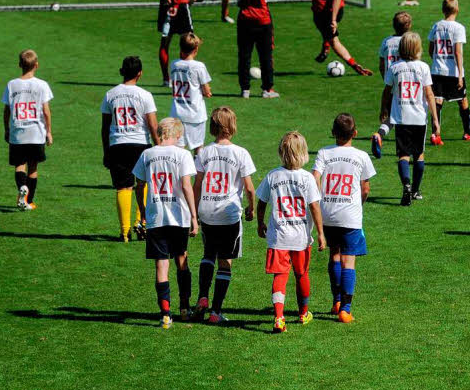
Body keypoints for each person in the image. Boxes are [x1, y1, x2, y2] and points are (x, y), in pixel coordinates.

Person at [192, 107, 257, 324]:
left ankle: (202, 297)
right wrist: (252, 208)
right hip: (228, 214)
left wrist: (194, 211)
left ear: (212, 126)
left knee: (208, 254)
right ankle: (215, 312)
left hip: (206, 211)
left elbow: (198, 183)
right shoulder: (241, 153)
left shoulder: (204, 152)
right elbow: (248, 187)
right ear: (232, 125)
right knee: (225, 261)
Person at [256, 131, 326, 334]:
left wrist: (260, 222)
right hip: (301, 238)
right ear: (304, 153)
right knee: (301, 274)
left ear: (281, 152)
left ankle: (279, 317)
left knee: (280, 276)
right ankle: (303, 313)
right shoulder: (307, 178)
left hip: (278, 237)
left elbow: (261, 203)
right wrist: (321, 233)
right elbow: (314, 207)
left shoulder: (273, 175)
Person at [133, 118, 199, 328]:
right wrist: (194, 217)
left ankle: (165, 314)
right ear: (178, 135)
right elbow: (187, 186)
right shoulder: (183, 154)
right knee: (182, 261)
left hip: (156, 216)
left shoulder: (147, 154)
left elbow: (139, 184)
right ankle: (185, 308)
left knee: (161, 265)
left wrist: (143, 212)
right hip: (178, 216)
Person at [312, 113, 375, 323]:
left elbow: (315, 178)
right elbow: (365, 188)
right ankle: (345, 309)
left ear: (332, 133)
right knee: (349, 260)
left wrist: (320, 200)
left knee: (334, 255)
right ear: (355, 133)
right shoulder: (361, 156)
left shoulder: (323, 153)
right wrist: (359, 203)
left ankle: (336, 300)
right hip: (350, 215)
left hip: (328, 213)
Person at [101, 56, 160, 242]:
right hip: (140, 144)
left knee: (123, 187)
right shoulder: (145, 95)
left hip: (117, 145)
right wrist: (158, 145)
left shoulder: (110, 94)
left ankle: (124, 232)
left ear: (122, 71)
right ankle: (140, 221)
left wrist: (106, 151)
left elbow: (104, 127)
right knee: (142, 184)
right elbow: (152, 125)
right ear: (140, 73)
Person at [379, 32, 440, 206]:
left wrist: (383, 108)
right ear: (418, 48)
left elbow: (386, 91)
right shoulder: (423, 67)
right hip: (419, 118)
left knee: (403, 155)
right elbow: (429, 94)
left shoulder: (395, 68)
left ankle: (405, 184)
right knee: (419, 154)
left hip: (401, 118)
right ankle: (415, 190)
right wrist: (435, 119)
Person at [1, 49, 54, 211]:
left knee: (19, 165)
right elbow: (46, 111)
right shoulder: (42, 85)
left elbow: (7, 110)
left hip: (18, 132)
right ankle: (29, 200)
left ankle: (21, 188)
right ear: (36, 65)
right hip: (36, 133)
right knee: (33, 167)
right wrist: (49, 131)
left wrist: (7, 129)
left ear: (19, 65)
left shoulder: (12, 84)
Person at [428, 0, 470, 142]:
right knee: (463, 100)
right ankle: (468, 131)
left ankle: (435, 134)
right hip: (453, 72)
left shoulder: (436, 26)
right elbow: (458, 52)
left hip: (437, 70)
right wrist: (460, 75)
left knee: (437, 101)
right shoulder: (458, 28)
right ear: (457, 9)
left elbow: (431, 49)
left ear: (443, 10)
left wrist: (438, 60)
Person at [231, 0, 279, 99]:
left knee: (244, 56)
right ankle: (267, 89)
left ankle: (245, 90)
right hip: (263, 20)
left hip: (244, 19)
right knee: (265, 55)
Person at [371, 11, 412, 158]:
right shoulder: (410, 41)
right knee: (406, 115)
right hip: (407, 84)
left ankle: (379, 134)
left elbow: (382, 65)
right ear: (410, 26)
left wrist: (386, 80)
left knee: (392, 117)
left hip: (391, 85)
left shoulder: (386, 42)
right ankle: (405, 146)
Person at [168, 33, 212, 155]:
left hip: (177, 114)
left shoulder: (174, 64)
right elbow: (206, 91)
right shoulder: (199, 66)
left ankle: (179, 174)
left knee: (178, 150)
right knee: (198, 149)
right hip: (195, 115)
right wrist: (207, 92)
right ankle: (198, 174)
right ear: (196, 49)